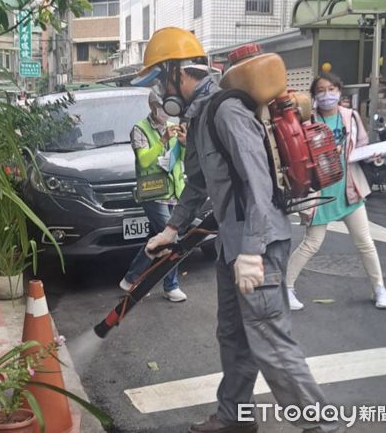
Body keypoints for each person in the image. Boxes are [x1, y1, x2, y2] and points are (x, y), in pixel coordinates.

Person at [137, 27, 344, 433]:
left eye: (161, 80)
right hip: (233, 245)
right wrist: (172, 229)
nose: (161, 92)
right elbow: (198, 181)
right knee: (233, 334)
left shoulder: (225, 111)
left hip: (257, 245)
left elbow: (257, 183)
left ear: (179, 72)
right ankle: (234, 416)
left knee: (271, 342)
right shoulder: (200, 116)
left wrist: (251, 251)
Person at [286, 72, 386, 311]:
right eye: (322, 90)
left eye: (332, 89)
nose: (327, 94)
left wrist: (374, 156)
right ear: (314, 96)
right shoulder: (307, 120)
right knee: (311, 244)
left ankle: (379, 289)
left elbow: (362, 147)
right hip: (320, 192)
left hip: (350, 189)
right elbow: (298, 156)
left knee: (365, 243)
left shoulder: (350, 117)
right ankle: (287, 287)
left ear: (340, 92)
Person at [118, 90, 188, 302]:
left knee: (162, 239)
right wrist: (161, 140)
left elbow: (181, 159)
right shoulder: (140, 129)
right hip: (153, 192)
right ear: (152, 107)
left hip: (174, 192)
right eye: (161, 109)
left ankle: (131, 279)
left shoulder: (172, 128)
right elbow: (145, 161)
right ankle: (170, 285)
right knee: (171, 237)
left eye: (168, 110)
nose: (166, 115)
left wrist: (184, 143)